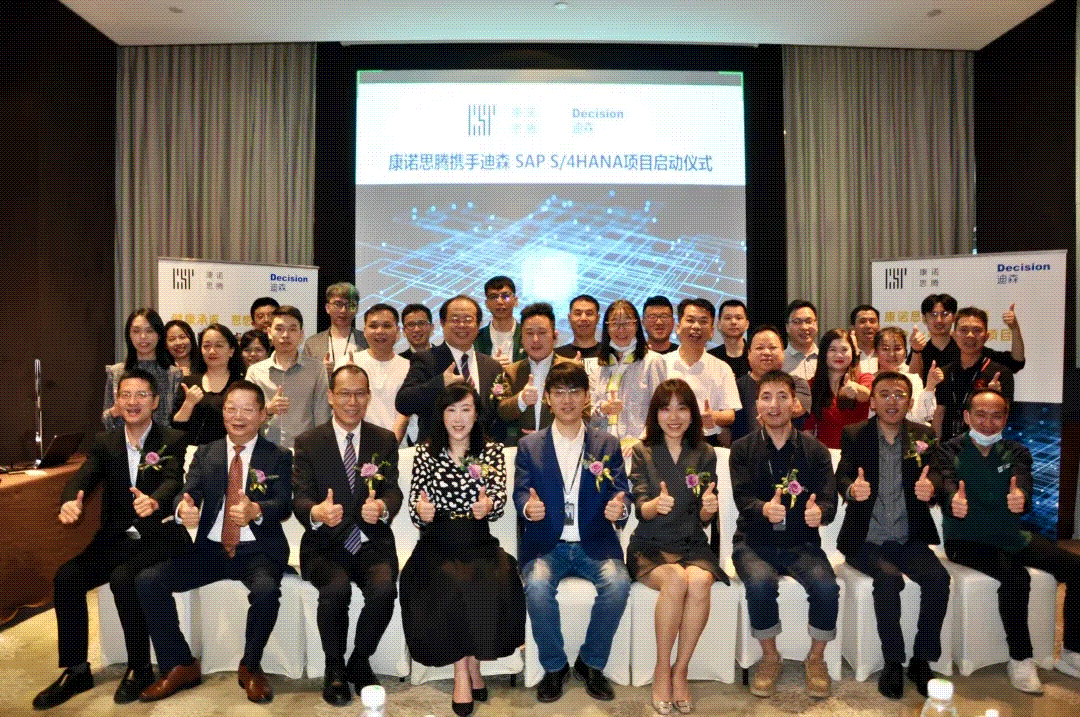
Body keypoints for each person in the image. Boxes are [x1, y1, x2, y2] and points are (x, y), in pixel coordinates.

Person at [32, 369, 191, 710]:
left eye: (141, 395)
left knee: (123, 577)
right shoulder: (106, 442)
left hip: (159, 536)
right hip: (117, 537)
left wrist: (155, 501)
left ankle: (140, 667)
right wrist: (70, 500)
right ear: (117, 402)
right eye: (126, 395)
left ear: (155, 401)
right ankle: (76, 670)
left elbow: (173, 479)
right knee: (67, 576)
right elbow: (82, 479)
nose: (133, 402)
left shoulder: (172, 439)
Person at [137, 380, 293, 704]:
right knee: (148, 580)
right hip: (210, 549)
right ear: (222, 413)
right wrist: (184, 508)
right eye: (230, 409)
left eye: (247, 410)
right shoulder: (206, 452)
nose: (238, 417)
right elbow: (188, 491)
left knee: (267, 591)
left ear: (262, 414)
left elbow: (283, 504)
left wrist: (256, 509)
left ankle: (251, 666)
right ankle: (180, 664)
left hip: (257, 550)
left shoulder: (277, 456)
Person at [933, 388, 1080, 693]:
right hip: (966, 540)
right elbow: (945, 483)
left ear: (1005, 418)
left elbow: (1023, 482)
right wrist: (952, 500)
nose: (988, 423)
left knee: (1077, 569)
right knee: (1016, 578)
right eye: (981, 415)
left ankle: (1071, 652)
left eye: (996, 416)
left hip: (1012, 536)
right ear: (966, 416)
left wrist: (1020, 497)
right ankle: (1021, 659)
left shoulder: (1017, 451)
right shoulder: (948, 450)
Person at [400, 382, 526, 716]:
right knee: (449, 582)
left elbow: (497, 497)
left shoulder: (492, 451)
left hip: (477, 538)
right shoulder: (426, 452)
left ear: (476, 414)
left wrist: (489, 505)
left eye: (466, 410)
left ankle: (473, 664)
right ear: (441, 415)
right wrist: (422, 511)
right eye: (451, 410)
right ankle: (462, 671)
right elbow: (415, 503)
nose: (458, 418)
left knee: (489, 580)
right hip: (437, 541)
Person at [514, 361, 631, 704]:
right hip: (546, 545)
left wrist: (620, 508)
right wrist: (528, 508)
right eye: (559, 392)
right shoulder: (530, 445)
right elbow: (520, 492)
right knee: (537, 587)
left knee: (618, 584)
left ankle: (590, 663)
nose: (567, 400)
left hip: (595, 542)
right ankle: (554, 667)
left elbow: (621, 491)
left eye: (575, 392)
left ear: (586, 397)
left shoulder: (606, 444)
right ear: (548, 398)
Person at [835, 371, 950, 699]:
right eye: (884, 394)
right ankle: (893, 662)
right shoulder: (855, 434)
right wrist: (851, 489)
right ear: (872, 401)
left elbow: (937, 474)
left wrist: (932, 487)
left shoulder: (923, 435)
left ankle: (922, 660)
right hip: (865, 540)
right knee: (888, 579)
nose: (892, 401)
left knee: (938, 579)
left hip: (908, 537)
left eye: (899, 395)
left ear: (910, 402)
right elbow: (842, 476)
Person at [292, 364, 402, 705]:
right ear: (330, 396)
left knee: (384, 589)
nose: (352, 402)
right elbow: (300, 497)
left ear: (368, 397)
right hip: (325, 545)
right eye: (344, 394)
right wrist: (317, 512)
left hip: (371, 543)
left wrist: (382, 507)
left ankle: (360, 660)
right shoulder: (309, 442)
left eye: (359, 394)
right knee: (336, 589)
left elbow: (393, 490)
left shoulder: (384, 439)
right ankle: (335, 666)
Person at [730, 370, 839, 698]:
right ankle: (770, 657)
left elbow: (828, 500)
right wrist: (763, 509)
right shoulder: (742, 449)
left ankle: (816, 658)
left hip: (800, 542)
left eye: (782, 397)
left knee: (826, 587)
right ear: (757, 405)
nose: (774, 405)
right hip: (754, 542)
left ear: (794, 403)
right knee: (760, 584)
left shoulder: (816, 450)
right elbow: (742, 498)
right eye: (766, 397)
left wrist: (820, 514)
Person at [627, 378, 727, 714]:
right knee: (675, 579)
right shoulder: (642, 451)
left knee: (698, 581)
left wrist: (709, 508)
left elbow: (704, 512)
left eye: (682, 408)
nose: (673, 417)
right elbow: (639, 505)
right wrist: (655, 505)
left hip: (692, 543)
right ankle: (661, 668)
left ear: (692, 414)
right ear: (655, 414)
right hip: (650, 545)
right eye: (665, 409)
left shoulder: (705, 453)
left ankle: (680, 670)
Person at [396, 295, 502, 443]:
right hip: (437, 450)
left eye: (468, 320)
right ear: (442, 323)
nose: (461, 325)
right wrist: (441, 383)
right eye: (455, 319)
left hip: (481, 450)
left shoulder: (492, 366)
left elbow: (497, 415)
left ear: (478, 325)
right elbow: (403, 403)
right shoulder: (426, 359)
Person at [246, 305, 331, 451]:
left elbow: (322, 416)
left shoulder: (316, 369)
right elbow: (246, 415)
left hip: (304, 451)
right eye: (279, 329)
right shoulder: (255, 372)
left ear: (301, 334)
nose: (285, 335)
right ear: (269, 333)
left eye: (292, 329)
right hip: (265, 451)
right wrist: (268, 410)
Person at [587, 299, 665, 456]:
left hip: (640, 449)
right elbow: (588, 411)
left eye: (627, 323)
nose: (621, 329)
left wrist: (642, 441)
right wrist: (603, 409)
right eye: (615, 323)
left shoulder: (652, 361)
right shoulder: (598, 366)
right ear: (607, 327)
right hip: (602, 448)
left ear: (636, 325)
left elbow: (661, 408)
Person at [662, 298, 741, 447]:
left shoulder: (722, 368)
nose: (696, 327)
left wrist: (713, 416)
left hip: (706, 441)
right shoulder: (661, 364)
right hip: (666, 440)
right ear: (678, 327)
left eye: (703, 322)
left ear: (711, 331)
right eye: (690, 320)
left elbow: (730, 414)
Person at [495, 302, 576, 446]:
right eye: (529, 333)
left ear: (554, 336)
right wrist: (521, 400)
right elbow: (502, 412)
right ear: (521, 338)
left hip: (564, 446)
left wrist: (548, 436)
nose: (535, 340)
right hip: (522, 448)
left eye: (542, 333)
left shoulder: (571, 369)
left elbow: (584, 412)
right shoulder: (511, 371)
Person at [931, 307, 1014, 442]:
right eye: (963, 330)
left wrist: (996, 397)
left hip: (983, 446)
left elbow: (1004, 417)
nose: (970, 335)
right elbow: (939, 413)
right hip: (948, 447)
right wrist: (935, 447)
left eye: (977, 330)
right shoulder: (944, 372)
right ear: (954, 335)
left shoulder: (1000, 373)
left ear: (986, 336)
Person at [908, 294, 1026, 382]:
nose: (939, 320)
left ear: (954, 317)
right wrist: (916, 351)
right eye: (933, 314)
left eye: (945, 314)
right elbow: (913, 383)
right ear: (924, 318)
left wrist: (1014, 328)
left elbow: (1016, 362)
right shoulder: (919, 350)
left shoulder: (968, 346)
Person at [103, 308, 182, 430]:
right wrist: (115, 411)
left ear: (159, 335)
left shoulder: (173, 374)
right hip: (123, 440)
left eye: (150, 331)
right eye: (136, 331)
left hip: (162, 441)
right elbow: (107, 420)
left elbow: (176, 422)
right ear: (129, 335)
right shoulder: (116, 372)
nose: (143, 336)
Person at [731, 325, 810, 441]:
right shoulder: (735, 387)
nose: (766, 352)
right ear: (749, 353)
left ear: (783, 352)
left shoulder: (797, 384)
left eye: (772, 347)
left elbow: (797, 410)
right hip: (745, 450)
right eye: (759, 348)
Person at [171, 323, 245, 446]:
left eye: (219, 345)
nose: (212, 351)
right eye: (206, 346)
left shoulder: (241, 385)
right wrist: (188, 403)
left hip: (229, 451)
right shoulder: (189, 382)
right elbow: (176, 425)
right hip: (193, 452)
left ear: (231, 351)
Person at [804, 328, 872, 449]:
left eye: (844, 350)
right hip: (826, 454)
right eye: (832, 349)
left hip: (857, 453)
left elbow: (869, 395)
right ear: (824, 353)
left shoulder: (864, 378)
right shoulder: (812, 385)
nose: (839, 355)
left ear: (853, 352)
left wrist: (856, 388)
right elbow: (807, 430)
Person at [354, 303, 410, 441]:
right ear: (364, 331)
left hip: (398, 446)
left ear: (397, 331)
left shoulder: (409, 367)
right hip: (355, 446)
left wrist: (390, 447)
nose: (380, 331)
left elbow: (407, 415)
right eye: (373, 326)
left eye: (386, 326)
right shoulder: (349, 363)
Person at [872, 327, 939, 425]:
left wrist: (930, 386)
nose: (892, 354)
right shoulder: (868, 380)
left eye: (897, 349)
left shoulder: (914, 379)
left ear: (905, 351)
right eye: (885, 349)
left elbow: (924, 415)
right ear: (876, 351)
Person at [302, 282, 368, 377]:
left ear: (356, 309)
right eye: (337, 304)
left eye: (350, 305)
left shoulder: (367, 341)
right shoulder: (312, 343)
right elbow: (304, 378)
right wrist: (320, 371)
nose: (343, 310)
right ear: (327, 308)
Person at [475, 276, 522, 366]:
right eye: (493, 297)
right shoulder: (476, 338)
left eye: (505, 296)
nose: (500, 302)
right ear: (486, 304)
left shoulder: (527, 335)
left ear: (515, 301)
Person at [708, 298, 750, 378]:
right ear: (719, 324)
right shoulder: (710, 358)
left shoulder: (755, 355)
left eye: (738, 318)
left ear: (747, 324)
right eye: (728, 318)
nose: (733, 322)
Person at [554, 294, 601, 360]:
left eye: (589, 314)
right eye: (578, 314)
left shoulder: (609, 352)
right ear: (569, 318)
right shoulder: (557, 356)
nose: (583, 318)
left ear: (598, 318)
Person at [782, 300, 819, 381]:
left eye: (809, 321)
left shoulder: (827, 358)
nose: (804, 327)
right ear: (787, 327)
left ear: (816, 324)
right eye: (797, 322)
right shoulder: (779, 361)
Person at [849, 305, 881, 374]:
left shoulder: (886, 355)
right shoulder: (847, 355)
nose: (868, 326)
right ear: (852, 327)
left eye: (872, 321)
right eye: (862, 322)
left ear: (879, 326)